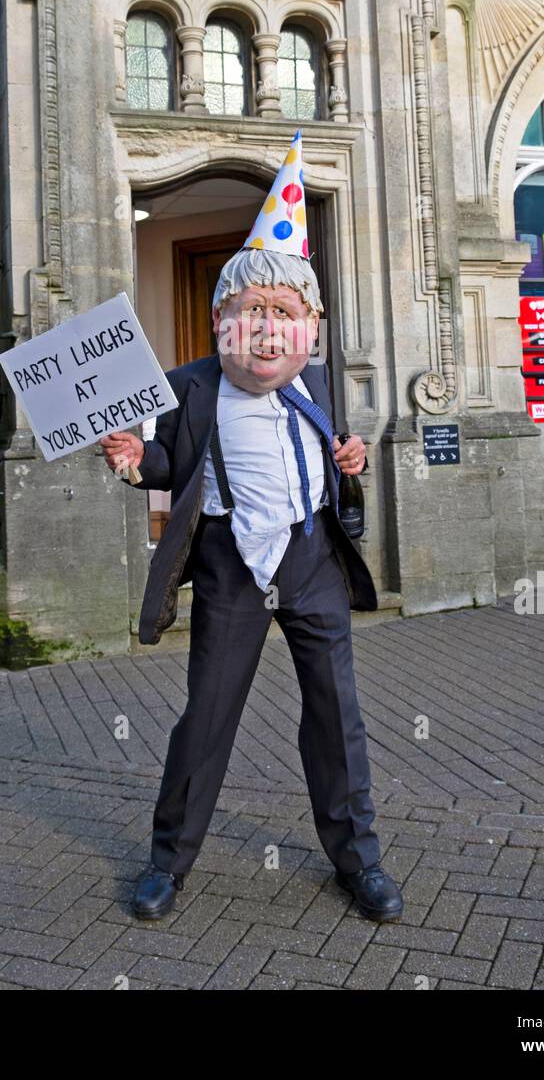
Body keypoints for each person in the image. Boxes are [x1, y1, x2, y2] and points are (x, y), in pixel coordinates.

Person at [101, 133, 403, 924]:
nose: (268, 329)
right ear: (218, 321)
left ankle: (358, 862)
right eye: (251, 312)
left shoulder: (320, 382)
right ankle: (168, 863)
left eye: (284, 313)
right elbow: (166, 460)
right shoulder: (188, 387)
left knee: (337, 714)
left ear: (310, 327)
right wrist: (135, 460)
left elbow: (335, 452)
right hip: (231, 563)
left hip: (310, 560)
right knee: (207, 716)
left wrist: (353, 458)